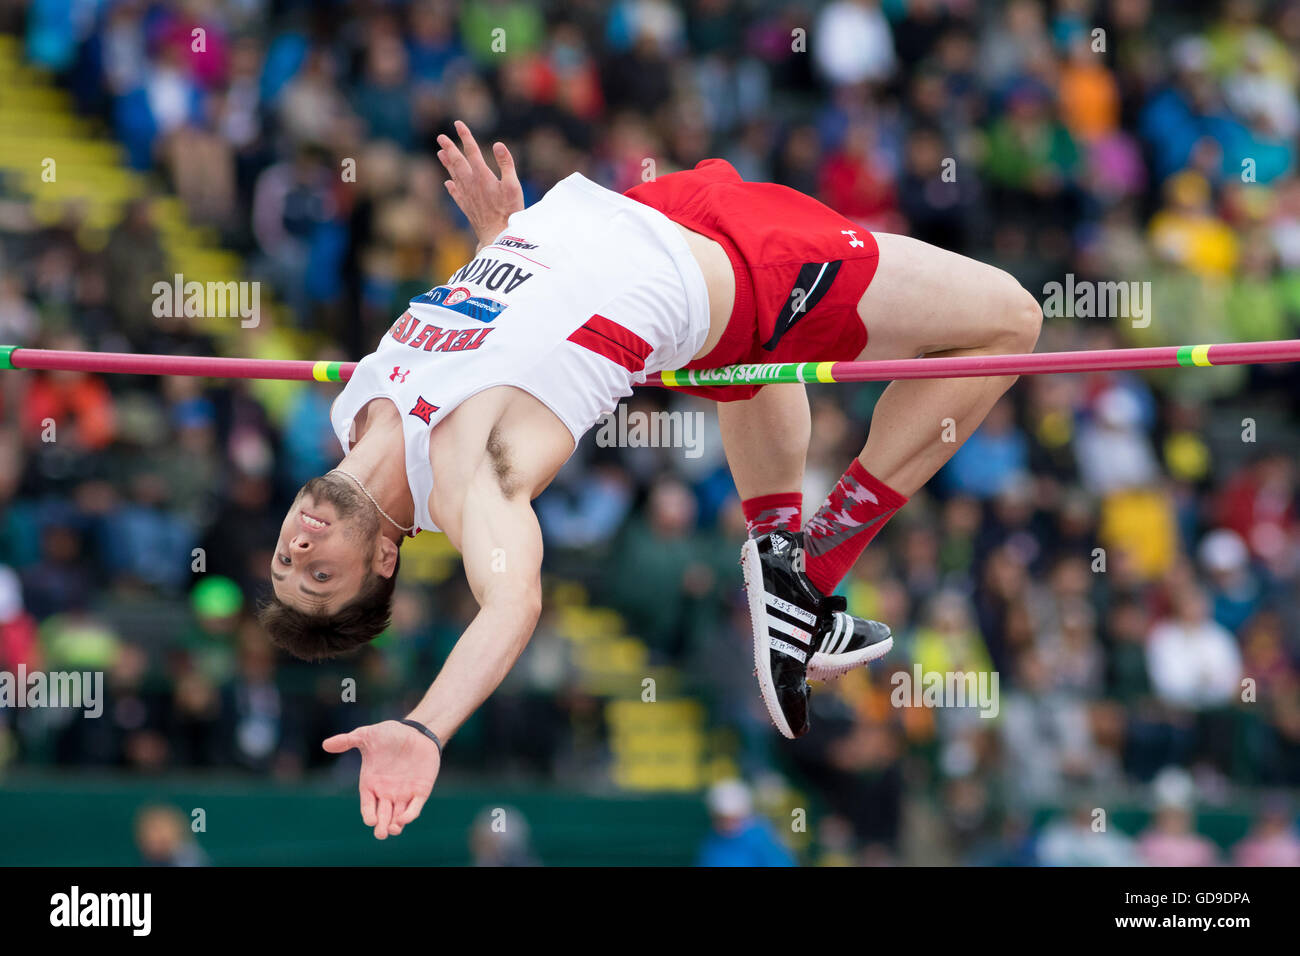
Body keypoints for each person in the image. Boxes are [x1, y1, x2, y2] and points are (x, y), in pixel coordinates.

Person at [259, 121, 1041, 838]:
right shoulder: (469, 480)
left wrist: (501, 234)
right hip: (733, 268)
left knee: (759, 371)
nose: (299, 547)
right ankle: (817, 564)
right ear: (385, 562)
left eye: (286, 562)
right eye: (320, 574)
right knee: (1009, 320)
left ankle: (779, 560)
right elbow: (511, 603)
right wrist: (425, 726)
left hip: (653, 214)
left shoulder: (353, 413)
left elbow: (518, 334)